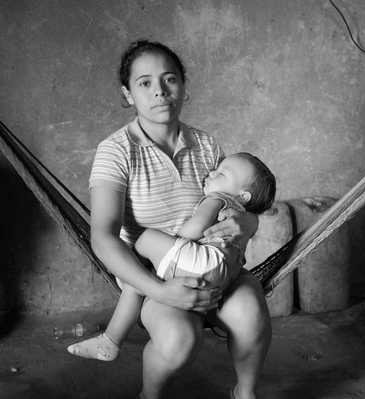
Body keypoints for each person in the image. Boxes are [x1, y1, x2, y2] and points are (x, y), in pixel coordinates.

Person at [73, 39, 272, 399]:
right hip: (153, 273)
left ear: (183, 85)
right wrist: (162, 291)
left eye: (170, 79)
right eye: (144, 83)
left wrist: (250, 224)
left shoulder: (206, 145)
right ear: (128, 94)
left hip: (212, 260)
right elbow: (102, 236)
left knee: (249, 308)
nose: (160, 92)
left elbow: (232, 199)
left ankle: (245, 393)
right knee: (180, 339)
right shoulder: (116, 151)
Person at [67, 152, 275, 362]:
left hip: (200, 262)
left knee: (145, 242)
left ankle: (111, 340)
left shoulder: (217, 199)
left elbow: (196, 228)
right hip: (223, 276)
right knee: (136, 284)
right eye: (215, 169)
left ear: (243, 195)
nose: (212, 173)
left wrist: (174, 241)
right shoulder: (239, 212)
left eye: (222, 173)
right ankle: (110, 340)